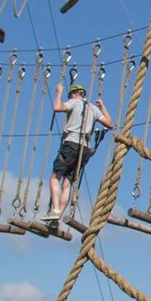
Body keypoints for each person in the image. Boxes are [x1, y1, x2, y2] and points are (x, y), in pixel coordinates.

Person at [43, 83, 114, 222]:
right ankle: (57, 217)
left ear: (73, 95)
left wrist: (59, 92)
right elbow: (110, 123)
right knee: (67, 183)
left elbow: (57, 107)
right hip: (85, 149)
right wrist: (102, 106)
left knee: (54, 178)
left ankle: (56, 210)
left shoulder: (74, 102)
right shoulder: (93, 108)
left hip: (71, 144)